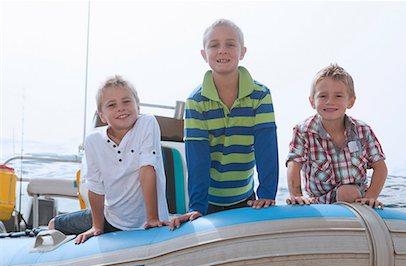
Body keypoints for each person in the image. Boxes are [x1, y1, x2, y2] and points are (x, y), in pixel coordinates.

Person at [170, 19, 279, 229]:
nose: (222, 50)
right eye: (214, 45)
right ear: (204, 54)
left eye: (230, 44)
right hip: (207, 201)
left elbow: (267, 148)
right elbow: (197, 158)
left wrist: (266, 194)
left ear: (242, 52)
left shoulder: (261, 96)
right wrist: (197, 205)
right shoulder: (196, 101)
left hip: (247, 198)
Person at [48, 75, 169, 244]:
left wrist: (153, 218)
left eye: (126, 101)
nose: (121, 108)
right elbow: (96, 186)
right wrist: (97, 226)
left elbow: (147, 170)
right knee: (54, 224)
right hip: (112, 218)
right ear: (102, 116)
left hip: (146, 220)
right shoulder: (93, 140)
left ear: (138, 106)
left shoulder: (147, 123)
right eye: (112, 105)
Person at [286, 64, 387, 208]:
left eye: (338, 96)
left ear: (351, 101)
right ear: (312, 102)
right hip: (320, 205)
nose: (330, 101)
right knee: (342, 193)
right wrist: (296, 195)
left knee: (346, 191)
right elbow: (294, 165)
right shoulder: (303, 131)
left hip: (356, 202)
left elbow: (380, 168)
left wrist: (371, 197)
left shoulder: (363, 131)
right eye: (322, 96)